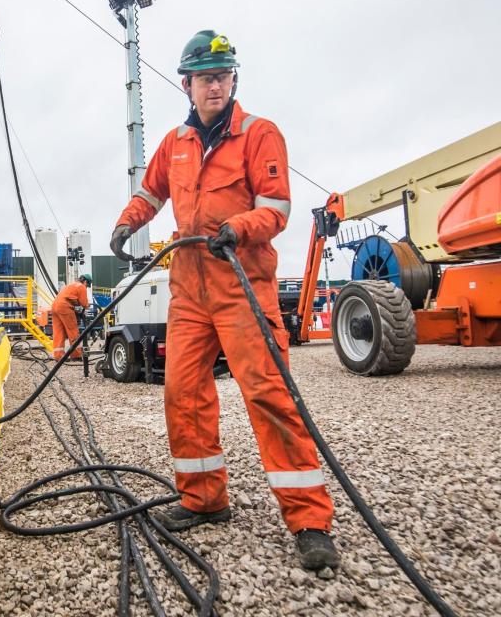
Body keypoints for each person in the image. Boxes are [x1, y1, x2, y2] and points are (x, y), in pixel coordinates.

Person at [109, 30, 337, 570]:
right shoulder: (175, 144)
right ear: (186, 85)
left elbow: (277, 208)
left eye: (223, 75)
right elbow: (151, 193)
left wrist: (238, 227)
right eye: (205, 77)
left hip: (242, 285)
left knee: (268, 395)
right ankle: (203, 499)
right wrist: (126, 223)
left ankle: (309, 519)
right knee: (183, 393)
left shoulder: (260, 135)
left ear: (234, 80)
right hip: (189, 291)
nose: (215, 85)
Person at [50, 274, 91, 361]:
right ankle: (76, 355)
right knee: (73, 330)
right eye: (87, 285)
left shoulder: (71, 285)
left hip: (55, 306)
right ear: (85, 282)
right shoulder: (81, 286)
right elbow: (84, 303)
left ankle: (58, 356)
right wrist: (87, 306)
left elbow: (71, 298)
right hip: (64, 307)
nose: (86, 287)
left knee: (58, 331)